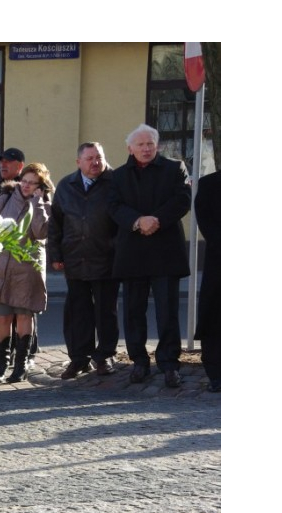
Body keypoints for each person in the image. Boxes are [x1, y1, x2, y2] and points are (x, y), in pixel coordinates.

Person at [109, 124, 191, 388]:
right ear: (129, 148)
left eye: (150, 144)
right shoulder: (118, 176)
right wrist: (137, 221)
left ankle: (169, 365)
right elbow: (113, 206)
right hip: (132, 251)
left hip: (165, 250)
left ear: (157, 146)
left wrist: (155, 220)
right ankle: (139, 362)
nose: (146, 149)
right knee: (134, 311)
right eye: (140, 145)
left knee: (167, 313)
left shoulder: (174, 168)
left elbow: (182, 200)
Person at [49, 142, 120, 379]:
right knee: (78, 311)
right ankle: (79, 358)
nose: (95, 162)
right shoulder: (66, 185)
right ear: (78, 162)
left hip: (106, 258)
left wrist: (117, 249)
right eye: (89, 158)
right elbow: (56, 223)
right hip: (75, 258)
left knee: (105, 310)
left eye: (98, 157)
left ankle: (105, 356)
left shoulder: (115, 182)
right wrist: (56, 254)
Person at [0, 163, 52, 383]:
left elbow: (40, 232)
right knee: (2, 315)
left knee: (24, 314)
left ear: (40, 186)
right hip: (3, 265)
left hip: (27, 266)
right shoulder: (5, 197)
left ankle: (20, 364)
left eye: (32, 183)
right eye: (24, 181)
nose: (26, 186)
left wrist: (37, 203)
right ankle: (2, 363)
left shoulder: (44, 202)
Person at [194, 170, 220, 392]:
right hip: (220, 261)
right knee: (215, 316)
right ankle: (217, 373)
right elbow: (206, 222)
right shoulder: (209, 184)